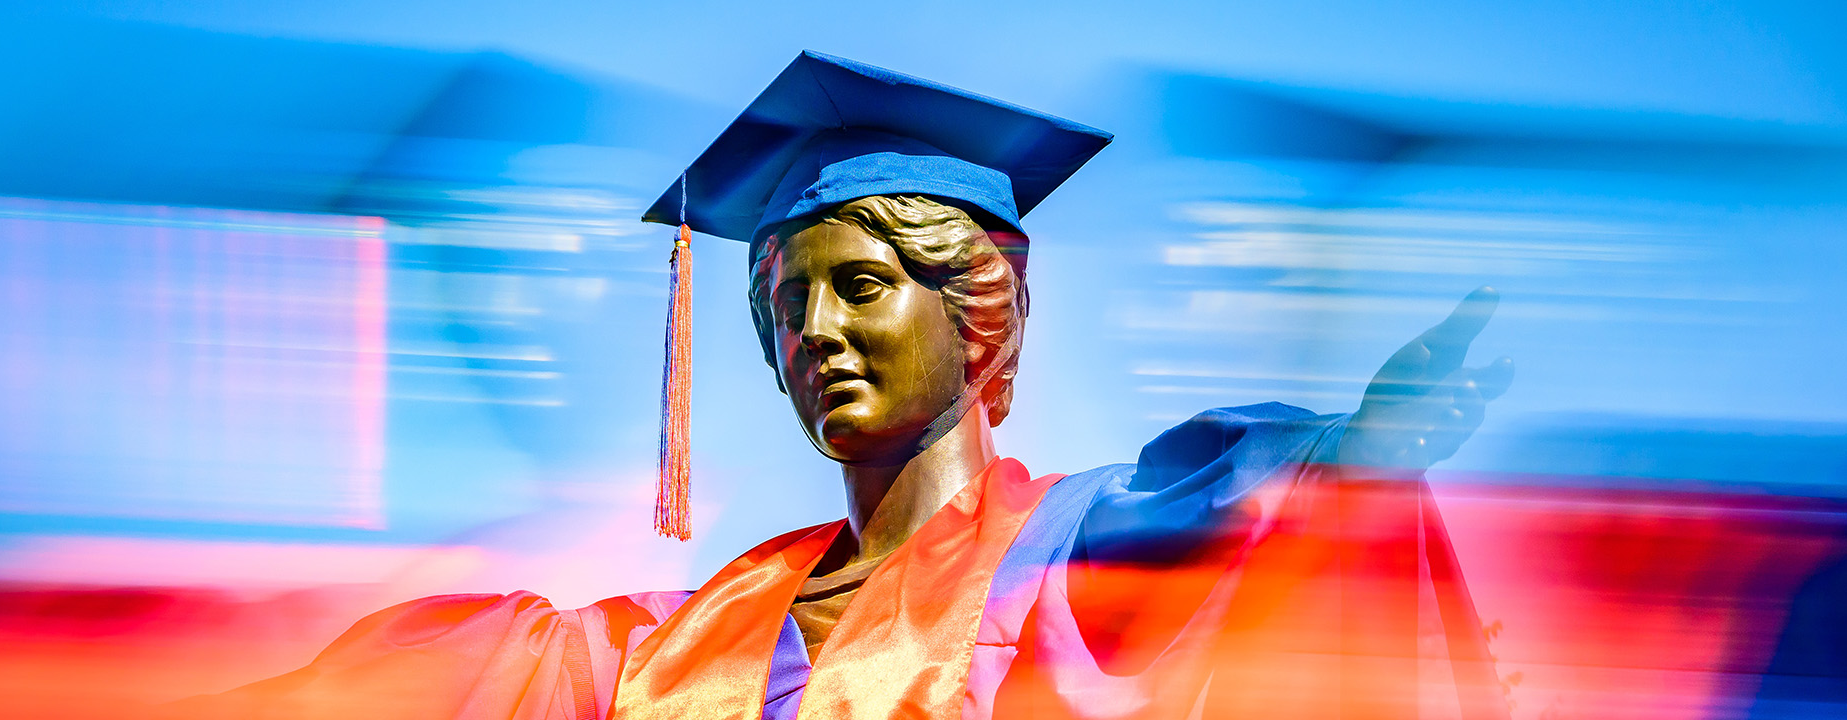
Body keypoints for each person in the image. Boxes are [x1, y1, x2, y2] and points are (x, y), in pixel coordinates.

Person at [168, 51, 1514, 720]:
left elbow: (1245, 522)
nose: (815, 329)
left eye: (863, 285)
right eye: (785, 302)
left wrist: (1365, 447)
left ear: (979, 315)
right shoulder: (678, 639)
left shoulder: (1073, 553)